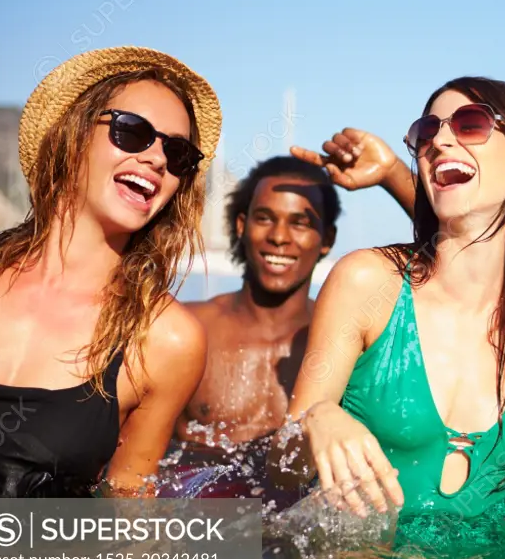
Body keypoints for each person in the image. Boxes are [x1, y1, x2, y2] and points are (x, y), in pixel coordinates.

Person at [276, 76, 505, 547]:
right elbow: (287, 464)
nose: (439, 140)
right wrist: (317, 418)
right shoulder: (366, 282)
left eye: (470, 124)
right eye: (426, 131)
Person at [0, 46, 220, 497]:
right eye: (132, 131)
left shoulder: (164, 340)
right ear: (73, 133)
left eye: (178, 153)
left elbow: (125, 517)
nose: (157, 159)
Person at [162, 155, 413, 505]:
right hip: (202, 532)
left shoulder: (347, 340)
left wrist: (392, 175)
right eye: (265, 218)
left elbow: (461, 257)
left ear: (327, 239)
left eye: (300, 223)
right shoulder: (188, 328)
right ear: (241, 225)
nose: (279, 237)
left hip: (300, 545)